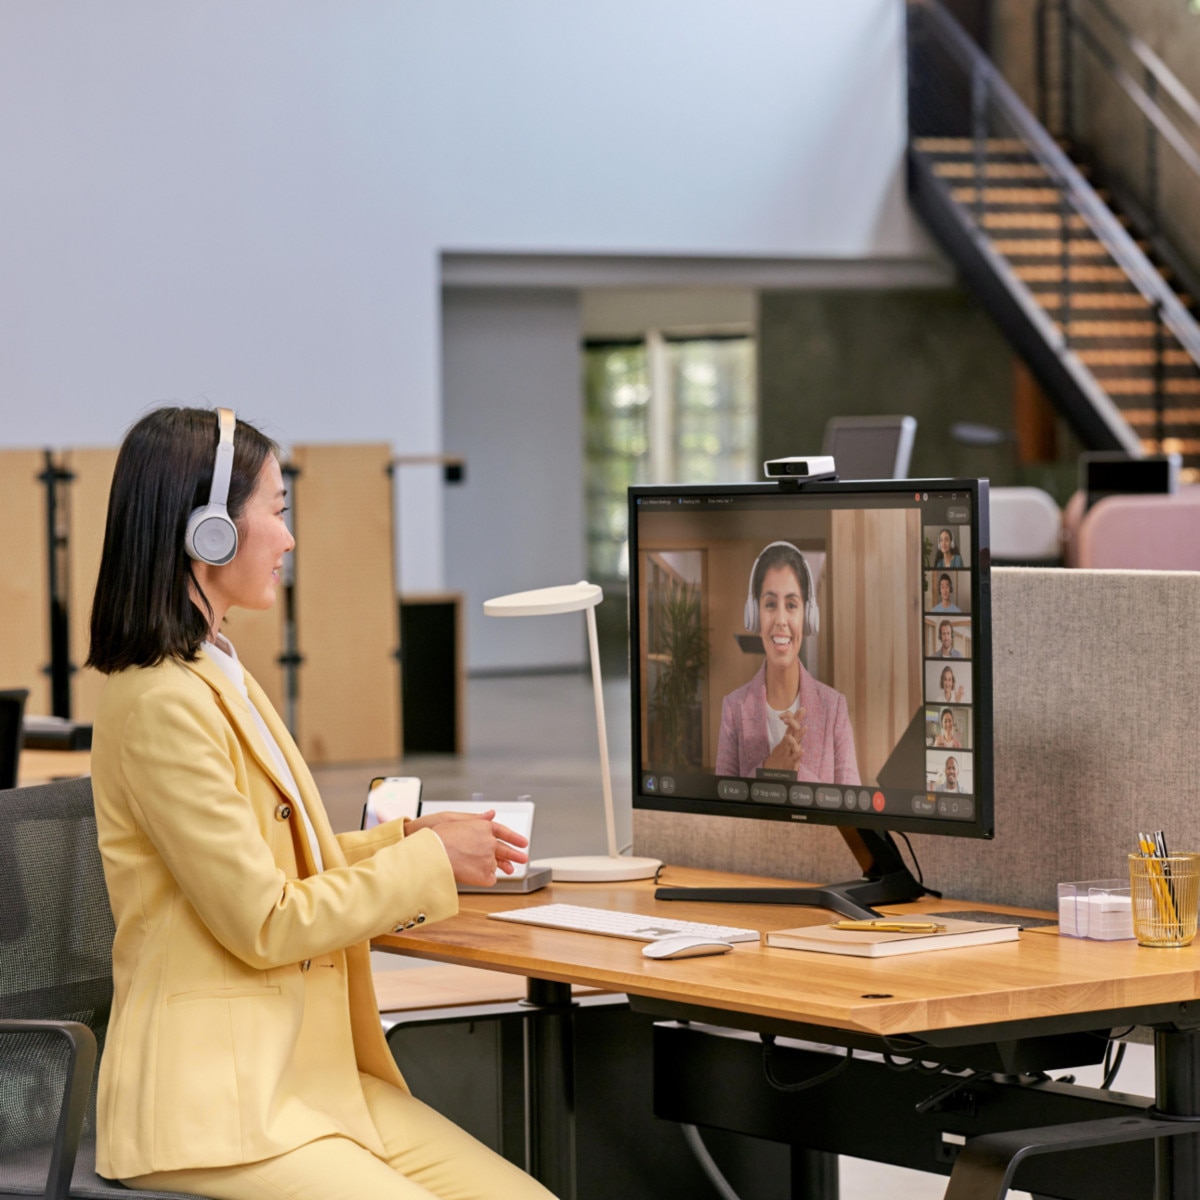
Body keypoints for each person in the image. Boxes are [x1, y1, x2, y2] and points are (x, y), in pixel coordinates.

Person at [85, 407, 555, 1200]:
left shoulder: (215, 670)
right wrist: (425, 864)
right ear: (209, 532)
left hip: (302, 1075)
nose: (290, 538)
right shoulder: (162, 702)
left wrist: (409, 836)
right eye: (277, 510)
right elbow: (267, 919)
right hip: (215, 1105)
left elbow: (269, 856)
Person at [715, 541, 859, 783]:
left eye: (791, 605)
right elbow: (722, 813)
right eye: (770, 604)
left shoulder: (834, 709)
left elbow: (851, 818)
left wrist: (794, 772)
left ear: (807, 617)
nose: (781, 619)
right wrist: (771, 768)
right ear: (754, 616)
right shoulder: (733, 709)